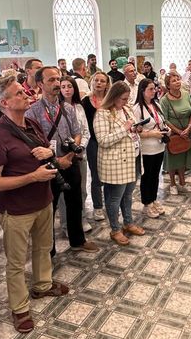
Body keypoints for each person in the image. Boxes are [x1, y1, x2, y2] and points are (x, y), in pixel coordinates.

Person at [0, 78, 68, 334]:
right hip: (17, 208)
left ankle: (42, 285)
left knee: (44, 247)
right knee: (16, 261)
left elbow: (43, 150)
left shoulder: (31, 123)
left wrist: (48, 153)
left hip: (43, 200)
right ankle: (19, 307)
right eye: (19, 92)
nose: (26, 94)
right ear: (4, 102)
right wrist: (32, 177)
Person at [26, 67, 97, 253]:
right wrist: (57, 160)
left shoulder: (67, 108)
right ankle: (48, 251)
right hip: (47, 167)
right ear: (40, 84)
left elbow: (77, 133)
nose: (57, 83)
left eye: (57, 79)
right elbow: (32, 143)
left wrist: (70, 156)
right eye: (51, 80)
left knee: (75, 202)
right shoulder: (32, 112)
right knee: (49, 209)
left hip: (70, 161)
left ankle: (77, 240)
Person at [93, 81, 146, 245]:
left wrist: (136, 128)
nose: (126, 101)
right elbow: (103, 140)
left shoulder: (126, 109)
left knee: (128, 195)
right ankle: (115, 229)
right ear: (114, 97)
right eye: (123, 99)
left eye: (127, 98)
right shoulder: (102, 113)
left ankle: (128, 223)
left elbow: (131, 127)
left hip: (132, 158)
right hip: (115, 163)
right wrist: (124, 129)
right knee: (114, 198)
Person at [57, 76, 92, 233]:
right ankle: (66, 223)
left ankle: (81, 218)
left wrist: (80, 147)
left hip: (80, 154)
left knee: (81, 189)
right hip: (63, 155)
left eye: (69, 86)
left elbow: (85, 131)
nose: (66, 89)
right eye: (63, 86)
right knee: (65, 193)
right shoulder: (57, 108)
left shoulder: (79, 107)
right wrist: (70, 151)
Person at [133, 78, 169, 218]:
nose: (154, 91)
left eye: (155, 88)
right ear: (142, 91)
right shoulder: (137, 109)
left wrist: (166, 129)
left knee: (155, 175)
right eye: (150, 89)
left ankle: (153, 200)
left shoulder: (156, 105)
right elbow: (135, 132)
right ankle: (146, 204)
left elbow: (161, 122)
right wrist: (152, 134)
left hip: (159, 146)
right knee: (147, 177)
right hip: (147, 149)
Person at [82, 71, 110, 221]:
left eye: (102, 81)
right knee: (96, 175)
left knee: (110, 174)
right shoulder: (85, 101)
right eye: (96, 80)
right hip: (93, 142)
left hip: (110, 140)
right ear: (92, 82)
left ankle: (111, 204)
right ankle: (98, 207)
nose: (99, 83)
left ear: (107, 84)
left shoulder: (110, 100)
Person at [161, 72, 191, 195]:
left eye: (178, 79)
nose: (177, 82)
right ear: (168, 85)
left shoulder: (185, 94)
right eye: (174, 81)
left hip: (187, 132)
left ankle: (182, 182)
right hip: (174, 134)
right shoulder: (164, 100)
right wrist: (179, 131)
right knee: (173, 158)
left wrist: (189, 127)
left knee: (183, 157)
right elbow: (165, 120)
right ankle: (172, 184)